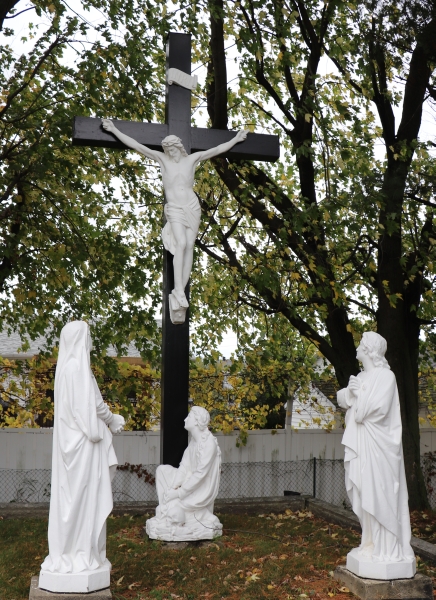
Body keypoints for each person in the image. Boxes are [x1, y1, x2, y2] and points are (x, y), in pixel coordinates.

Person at [101, 119, 248, 312]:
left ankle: (181, 290)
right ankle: (178, 290)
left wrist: (236, 139)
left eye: (174, 150)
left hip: (192, 207)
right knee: (180, 244)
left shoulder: (192, 159)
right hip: (175, 208)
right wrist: (114, 130)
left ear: (179, 147)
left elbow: (216, 150)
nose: (171, 153)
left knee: (189, 246)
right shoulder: (162, 159)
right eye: (168, 150)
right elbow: (136, 145)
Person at [40, 321, 125, 589]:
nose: (90, 343)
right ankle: (82, 554)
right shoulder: (79, 369)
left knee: (70, 502)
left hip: (69, 447)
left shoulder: (64, 369)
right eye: (88, 337)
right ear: (80, 339)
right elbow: (95, 405)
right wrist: (113, 420)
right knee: (85, 500)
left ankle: (67, 552)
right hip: (84, 447)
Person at [337, 332, 414, 570]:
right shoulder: (360, 376)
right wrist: (351, 392)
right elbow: (343, 399)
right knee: (364, 492)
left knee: (382, 494)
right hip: (363, 446)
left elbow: (377, 409)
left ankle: (388, 549)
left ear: (370, 351)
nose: (357, 348)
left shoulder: (386, 377)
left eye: (361, 344)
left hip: (381, 448)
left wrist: (358, 395)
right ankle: (369, 543)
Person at [145, 406, 222, 541]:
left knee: (173, 510)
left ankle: (173, 511)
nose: (185, 419)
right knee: (162, 471)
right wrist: (173, 488)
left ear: (197, 421)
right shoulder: (194, 441)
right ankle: (166, 506)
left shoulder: (209, 444)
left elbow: (200, 475)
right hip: (187, 482)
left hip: (199, 489)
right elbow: (184, 467)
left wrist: (179, 493)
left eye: (189, 417)